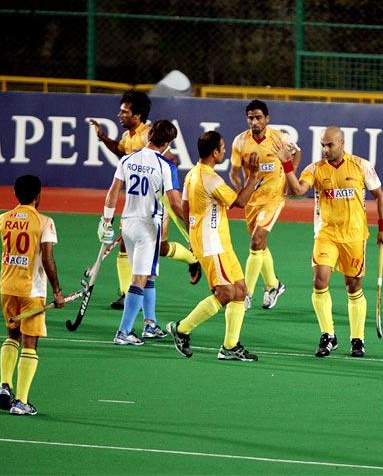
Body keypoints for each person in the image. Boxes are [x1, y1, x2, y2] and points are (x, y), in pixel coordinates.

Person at [273, 126, 383, 358]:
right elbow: (296, 190)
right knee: (319, 280)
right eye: (322, 145)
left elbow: (380, 195)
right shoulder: (314, 169)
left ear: (342, 143)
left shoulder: (361, 165)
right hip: (326, 235)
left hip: (355, 236)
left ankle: (357, 339)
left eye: (330, 145)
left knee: (353, 286)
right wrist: (287, 164)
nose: (325, 149)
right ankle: (328, 335)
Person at [91, 90, 201, 313]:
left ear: (138, 115)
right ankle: (125, 293)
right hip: (138, 202)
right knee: (125, 246)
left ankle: (191, 259)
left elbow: (170, 159)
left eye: (125, 112)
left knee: (159, 249)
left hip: (158, 202)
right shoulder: (129, 136)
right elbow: (123, 154)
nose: (119, 115)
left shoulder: (146, 135)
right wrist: (103, 138)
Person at [166, 130, 260, 361]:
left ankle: (229, 347)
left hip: (217, 242)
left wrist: (191, 235)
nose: (225, 151)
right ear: (215, 152)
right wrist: (253, 177)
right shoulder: (211, 178)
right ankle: (181, 329)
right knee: (226, 293)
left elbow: (186, 208)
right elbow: (238, 201)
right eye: (223, 148)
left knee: (240, 291)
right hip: (212, 243)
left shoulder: (193, 175)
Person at [99, 119, 186, 345]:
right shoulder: (166, 166)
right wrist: (191, 226)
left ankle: (150, 323)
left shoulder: (127, 159)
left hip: (127, 224)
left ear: (149, 135)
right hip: (149, 226)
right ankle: (124, 331)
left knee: (148, 274)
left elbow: (113, 191)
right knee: (139, 278)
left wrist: (106, 221)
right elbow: (176, 204)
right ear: (166, 142)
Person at [0, 175, 66, 415]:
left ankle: (5, 384)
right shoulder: (44, 222)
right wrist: (57, 291)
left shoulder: (2, 219)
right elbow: (47, 258)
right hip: (32, 290)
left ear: (15, 194)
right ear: (39, 196)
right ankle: (21, 401)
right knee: (30, 343)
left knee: (12, 334)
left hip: (7, 287)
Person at [229, 99, 301, 310]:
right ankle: (274, 285)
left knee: (256, 240)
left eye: (258, 117)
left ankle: (246, 294)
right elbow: (234, 171)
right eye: (251, 117)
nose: (254, 121)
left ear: (267, 119)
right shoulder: (240, 142)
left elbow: (297, 152)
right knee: (260, 245)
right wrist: (239, 189)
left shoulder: (279, 138)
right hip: (252, 199)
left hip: (274, 197)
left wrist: (291, 175)